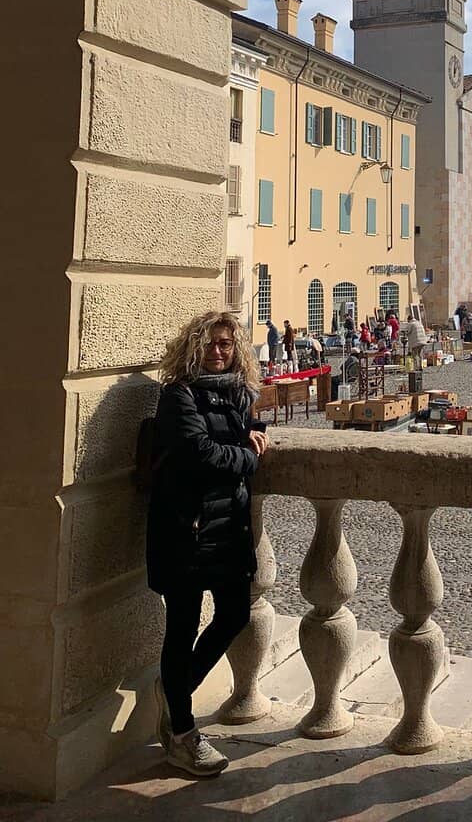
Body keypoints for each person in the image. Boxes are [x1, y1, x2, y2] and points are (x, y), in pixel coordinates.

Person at [147, 311, 268, 776]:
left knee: (235, 613)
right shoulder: (177, 396)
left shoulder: (236, 394)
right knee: (181, 629)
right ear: (193, 347)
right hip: (186, 530)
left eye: (227, 344)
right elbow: (202, 454)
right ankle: (181, 731)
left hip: (227, 531)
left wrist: (255, 436)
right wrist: (249, 456)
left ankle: (174, 690)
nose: (220, 351)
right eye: (212, 344)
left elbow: (247, 432)